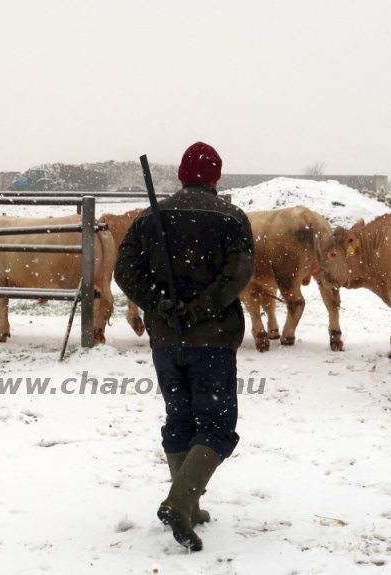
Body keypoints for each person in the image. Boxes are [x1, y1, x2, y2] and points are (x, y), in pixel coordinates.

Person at [114, 142, 255, 552]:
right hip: (211, 341)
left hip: (165, 340)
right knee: (216, 425)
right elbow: (238, 273)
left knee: (179, 420)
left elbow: (125, 271)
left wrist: (157, 301)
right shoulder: (232, 218)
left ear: (181, 176)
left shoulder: (149, 218)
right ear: (215, 177)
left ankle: (189, 504)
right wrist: (201, 308)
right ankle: (179, 502)